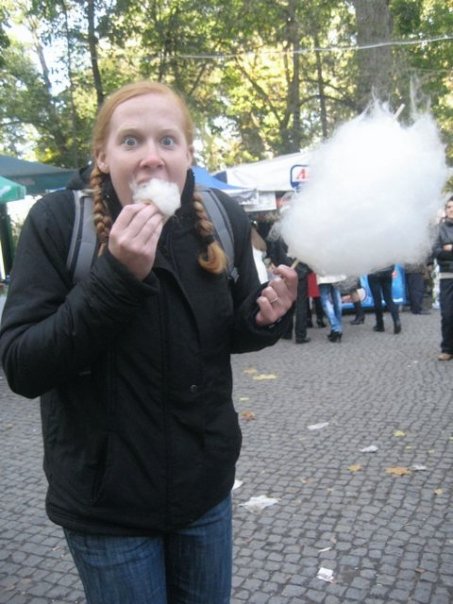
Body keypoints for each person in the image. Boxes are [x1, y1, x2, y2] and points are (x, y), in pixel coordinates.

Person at [0, 80, 297, 604]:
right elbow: (23, 366)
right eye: (131, 141)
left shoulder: (222, 219)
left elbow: (227, 335)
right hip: (108, 505)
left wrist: (264, 317)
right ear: (103, 155)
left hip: (204, 491)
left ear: (188, 154)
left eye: (167, 141)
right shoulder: (58, 222)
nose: (151, 157)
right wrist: (117, 275)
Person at [266, 232, 310, 343]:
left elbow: (273, 255)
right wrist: (306, 270)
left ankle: (286, 332)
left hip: (285, 273)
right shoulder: (301, 235)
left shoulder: (279, 235)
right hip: (300, 273)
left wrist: (281, 268)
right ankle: (300, 335)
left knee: (287, 302)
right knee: (301, 304)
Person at [433, 195, 453, 361]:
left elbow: (445, 251)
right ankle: (447, 348)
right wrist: (446, 251)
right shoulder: (439, 229)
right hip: (447, 277)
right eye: (449, 207)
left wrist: (449, 248)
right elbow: (436, 252)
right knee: (447, 315)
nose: (451, 210)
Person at [367, 265, 402, 334]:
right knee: (389, 299)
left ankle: (380, 325)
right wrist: (391, 270)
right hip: (387, 273)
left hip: (374, 273)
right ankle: (396, 320)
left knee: (377, 299)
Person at [317, 274, 345, 342]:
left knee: (325, 300)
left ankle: (335, 328)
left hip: (324, 274)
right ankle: (338, 329)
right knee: (337, 299)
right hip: (336, 273)